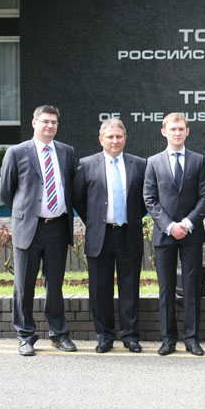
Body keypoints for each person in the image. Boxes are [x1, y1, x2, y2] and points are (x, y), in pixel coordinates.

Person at [0, 105, 76, 356]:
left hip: (57, 228)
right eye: (45, 121)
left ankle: (58, 334)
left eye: (54, 122)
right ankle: (25, 336)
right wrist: (26, 213)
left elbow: (69, 186)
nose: (50, 126)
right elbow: (6, 191)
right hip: (29, 229)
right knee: (24, 286)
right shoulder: (16, 152)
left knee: (55, 286)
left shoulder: (66, 151)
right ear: (34, 123)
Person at [73, 118, 146, 353]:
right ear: (101, 139)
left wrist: (132, 217)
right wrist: (95, 220)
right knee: (99, 289)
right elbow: (78, 199)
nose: (115, 140)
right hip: (100, 236)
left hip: (128, 234)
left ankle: (130, 336)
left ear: (125, 139)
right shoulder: (86, 164)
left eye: (119, 136)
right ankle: (104, 336)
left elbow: (145, 200)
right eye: (110, 137)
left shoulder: (139, 164)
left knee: (130, 288)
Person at [143, 112, 205, 356]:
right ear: (164, 132)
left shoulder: (198, 160)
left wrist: (187, 223)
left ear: (187, 131)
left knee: (191, 287)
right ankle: (168, 339)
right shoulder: (153, 162)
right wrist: (170, 225)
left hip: (191, 234)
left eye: (181, 129)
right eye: (172, 129)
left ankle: (191, 339)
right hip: (164, 235)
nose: (177, 133)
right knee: (166, 288)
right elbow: (150, 199)